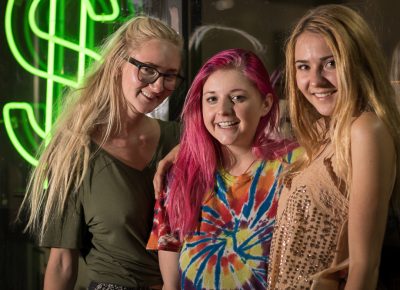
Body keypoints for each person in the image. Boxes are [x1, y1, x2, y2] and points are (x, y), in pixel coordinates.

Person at [18, 16, 184, 290]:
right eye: (147, 70)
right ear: (117, 63)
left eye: (169, 75)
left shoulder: (181, 139)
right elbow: (61, 263)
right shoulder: (75, 151)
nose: (158, 86)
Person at [266, 4, 400, 290]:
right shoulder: (321, 130)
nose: (315, 80)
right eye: (303, 66)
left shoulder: (366, 130)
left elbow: (364, 266)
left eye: (330, 63)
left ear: (357, 63)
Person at [147, 48, 300, 289]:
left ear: (266, 104)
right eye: (212, 99)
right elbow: (171, 285)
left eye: (238, 98)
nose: (223, 110)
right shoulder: (179, 175)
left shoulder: (295, 166)